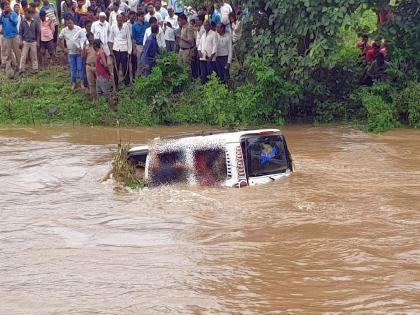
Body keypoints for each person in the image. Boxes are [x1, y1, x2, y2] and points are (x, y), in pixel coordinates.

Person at [59, 15, 85, 89]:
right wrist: (64, 48)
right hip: (70, 53)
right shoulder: (64, 30)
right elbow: (59, 39)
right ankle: (73, 83)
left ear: (73, 22)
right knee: (73, 69)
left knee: (80, 68)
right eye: (68, 23)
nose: (69, 25)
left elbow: (83, 38)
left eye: (70, 23)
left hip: (79, 52)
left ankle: (82, 83)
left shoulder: (78, 29)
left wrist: (82, 48)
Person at [109, 13, 132, 87]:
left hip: (124, 49)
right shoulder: (113, 26)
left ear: (123, 19)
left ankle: (127, 82)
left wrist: (129, 51)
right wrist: (111, 51)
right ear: (116, 19)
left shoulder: (126, 27)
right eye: (118, 19)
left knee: (125, 66)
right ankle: (115, 83)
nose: (120, 20)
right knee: (116, 67)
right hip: (116, 49)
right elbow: (111, 39)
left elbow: (129, 39)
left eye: (121, 19)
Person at [0, 3, 21, 76]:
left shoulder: (14, 14)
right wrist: (2, 15)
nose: (7, 8)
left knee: (17, 52)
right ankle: (9, 71)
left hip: (15, 36)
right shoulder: (2, 15)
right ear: (4, 8)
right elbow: (0, 22)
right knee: (7, 54)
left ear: (9, 8)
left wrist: (9, 17)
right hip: (7, 37)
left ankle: (20, 68)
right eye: (5, 7)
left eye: (8, 7)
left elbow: (15, 23)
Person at [92, 38, 113, 107]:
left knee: (106, 93)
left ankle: (111, 107)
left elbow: (105, 64)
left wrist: (108, 73)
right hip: (99, 75)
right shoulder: (99, 52)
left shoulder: (101, 52)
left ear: (95, 46)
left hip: (102, 75)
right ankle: (103, 107)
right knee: (99, 92)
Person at [19, 7, 39, 74]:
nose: (25, 15)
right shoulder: (22, 22)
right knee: (23, 55)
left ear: (30, 14)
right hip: (25, 41)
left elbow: (38, 32)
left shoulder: (35, 22)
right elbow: (20, 32)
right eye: (24, 14)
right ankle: (21, 69)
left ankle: (35, 68)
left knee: (34, 55)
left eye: (26, 14)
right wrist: (21, 41)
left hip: (33, 41)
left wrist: (37, 42)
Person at [131, 10, 148, 76]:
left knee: (146, 62)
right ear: (138, 17)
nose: (143, 17)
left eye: (143, 16)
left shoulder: (147, 24)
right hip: (139, 46)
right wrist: (134, 49)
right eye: (141, 16)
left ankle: (145, 77)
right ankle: (139, 78)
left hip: (146, 45)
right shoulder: (134, 26)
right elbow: (133, 38)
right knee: (139, 63)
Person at [82, 31, 97, 100]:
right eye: (89, 38)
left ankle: (99, 97)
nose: (91, 39)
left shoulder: (97, 45)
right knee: (91, 83)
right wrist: (83, 48)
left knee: (98, 82)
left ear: (93, 37)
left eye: (92, 37)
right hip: (88, 66)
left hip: (96, 66)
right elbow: (83, 56)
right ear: (87, 39)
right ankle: (93, 97)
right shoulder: (87, 47)